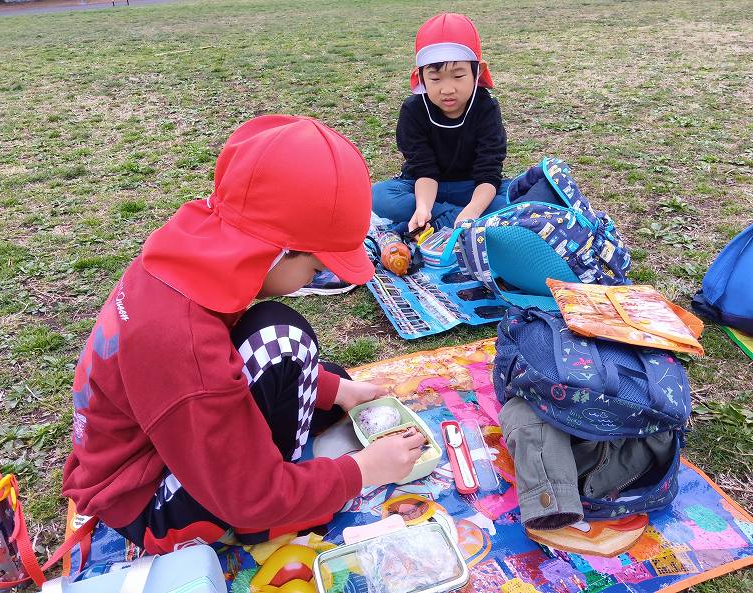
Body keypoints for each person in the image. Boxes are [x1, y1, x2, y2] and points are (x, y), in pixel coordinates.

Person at [62, 115, 427, 553]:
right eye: (314, 267)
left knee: (315, 374)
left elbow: (216, 373)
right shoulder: (185, 349)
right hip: (149, 504)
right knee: (287, 344)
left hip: (157, 445)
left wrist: (335, 390)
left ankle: (293, 463)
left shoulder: (193, 256)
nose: (315, 276)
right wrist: (363, 470)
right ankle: (278, 513)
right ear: (278, 252)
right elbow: (249, 496)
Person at [372, 13, 509, 232]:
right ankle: (455, 219)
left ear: (478, 72)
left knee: (515, 197)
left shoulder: (486, 108)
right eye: (435, 78)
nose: (447, 89)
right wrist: (424, 208)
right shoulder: (413, 110)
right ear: (421, 76)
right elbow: (424, 169)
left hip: (472, 187)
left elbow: (489, 171)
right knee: (379, 197)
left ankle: (446, 220)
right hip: (423, 188)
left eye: (458, 76)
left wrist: (472, 209)